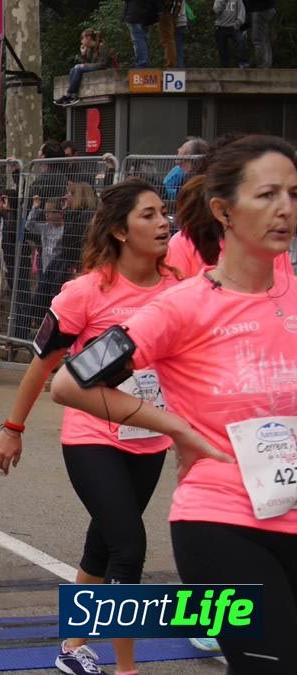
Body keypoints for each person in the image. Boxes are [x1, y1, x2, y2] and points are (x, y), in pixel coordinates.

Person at [49, 134, 297, 675]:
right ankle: (110, 658)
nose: (285, 209)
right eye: (267, 195)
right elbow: (68, 382)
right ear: (223, 211)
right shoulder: (181, 306)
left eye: (294, 194)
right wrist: (176, 427)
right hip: (223, 519)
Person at [0, 179, 179, 675]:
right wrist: (13, 427)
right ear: (119, 230)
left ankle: (72, 646)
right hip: (91, 437)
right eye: (148, 215)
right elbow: (42, 364)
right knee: (129, 546)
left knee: (104, 542)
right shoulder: (85, 292)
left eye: (164, 212)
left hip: (148, 438)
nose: (163, 222)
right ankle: (126, 669)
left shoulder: (179, 290)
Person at [56, 29, 116, 106]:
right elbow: (86, 64)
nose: (81, 41)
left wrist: (84, 65)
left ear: (88, 38)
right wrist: (83, 54)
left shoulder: (102, 46)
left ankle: (68, 95)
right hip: (95, 68)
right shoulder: (89, 49)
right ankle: (73, 96)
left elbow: (102, 64)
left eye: (82, 38)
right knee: (73, 70)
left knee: (78, 69)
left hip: (105, 69)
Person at [123, 0, 162, 68]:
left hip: (134, 15)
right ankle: (143, 60)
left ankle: (142, 62)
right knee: (143, 39)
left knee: (138, 40)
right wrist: (158, 12)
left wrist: (124, 16)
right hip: (147, 17)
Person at [213, 0, 250, 68]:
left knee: (241, 41)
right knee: (222, 48)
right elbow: (216, 10)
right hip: (221, 26)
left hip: (234, 27)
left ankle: (243, 63)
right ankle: (225, 66)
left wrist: (238, 23)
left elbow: (241, 11)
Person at [246, 0, 276, 68]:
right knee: (264, 39)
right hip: (269, 8)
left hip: (260, 9)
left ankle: (262, 66)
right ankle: (267, 64)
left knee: (257, 41)